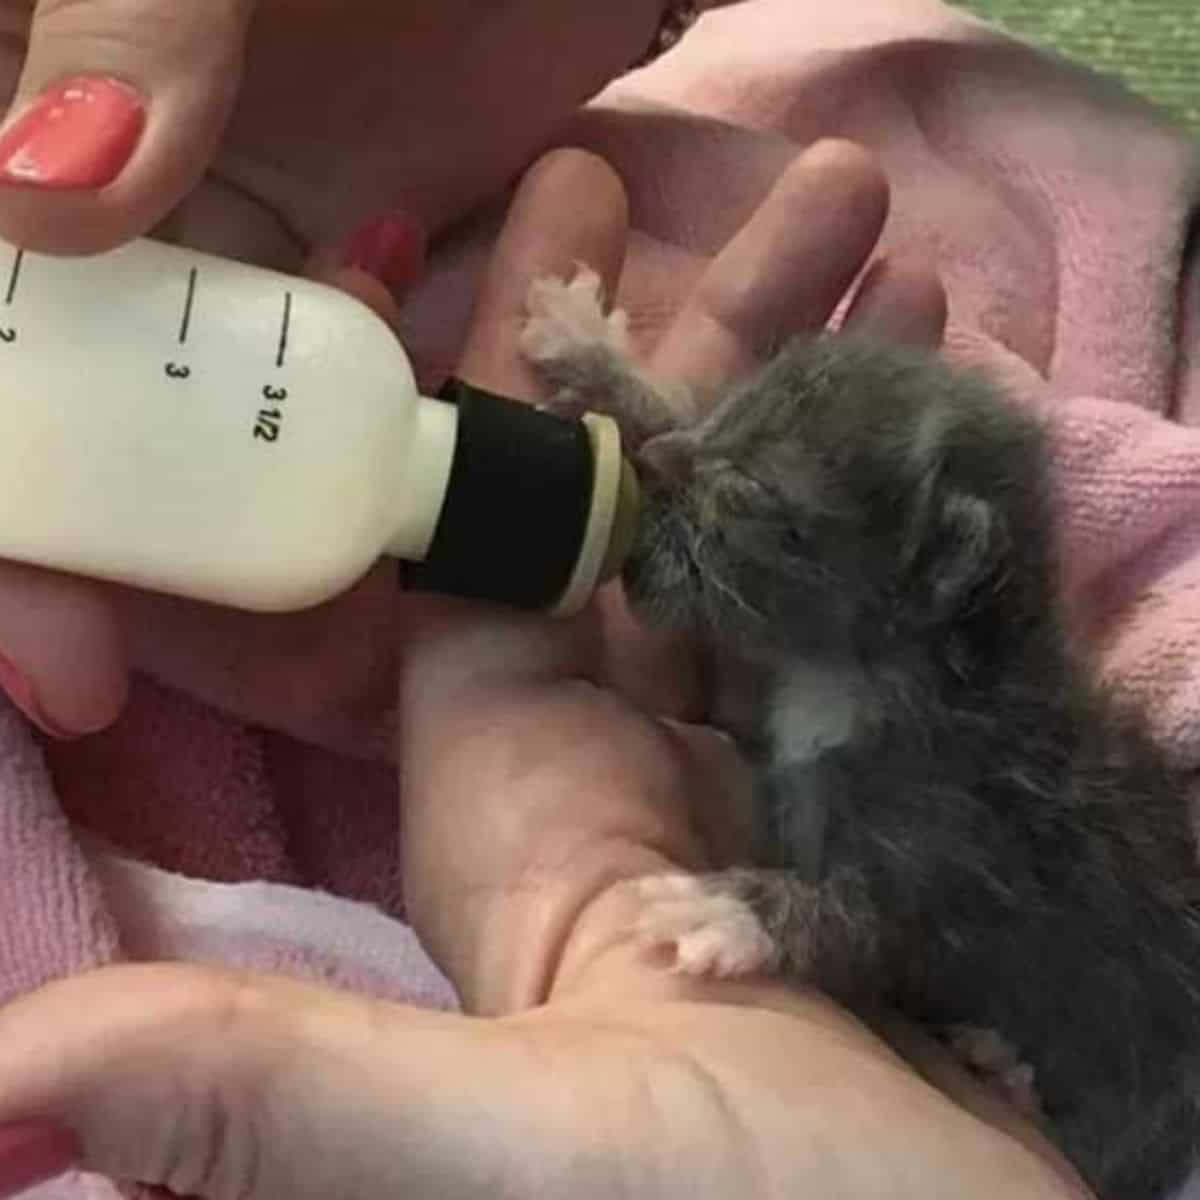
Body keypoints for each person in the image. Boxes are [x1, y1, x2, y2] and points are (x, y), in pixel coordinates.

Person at [0, 128, 1090, 1195]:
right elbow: (687, 472)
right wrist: (607, 379)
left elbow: (900, 896)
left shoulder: (938, 770)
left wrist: (770, 919)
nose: (667, 458)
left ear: (943, 578)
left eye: (764, 506)